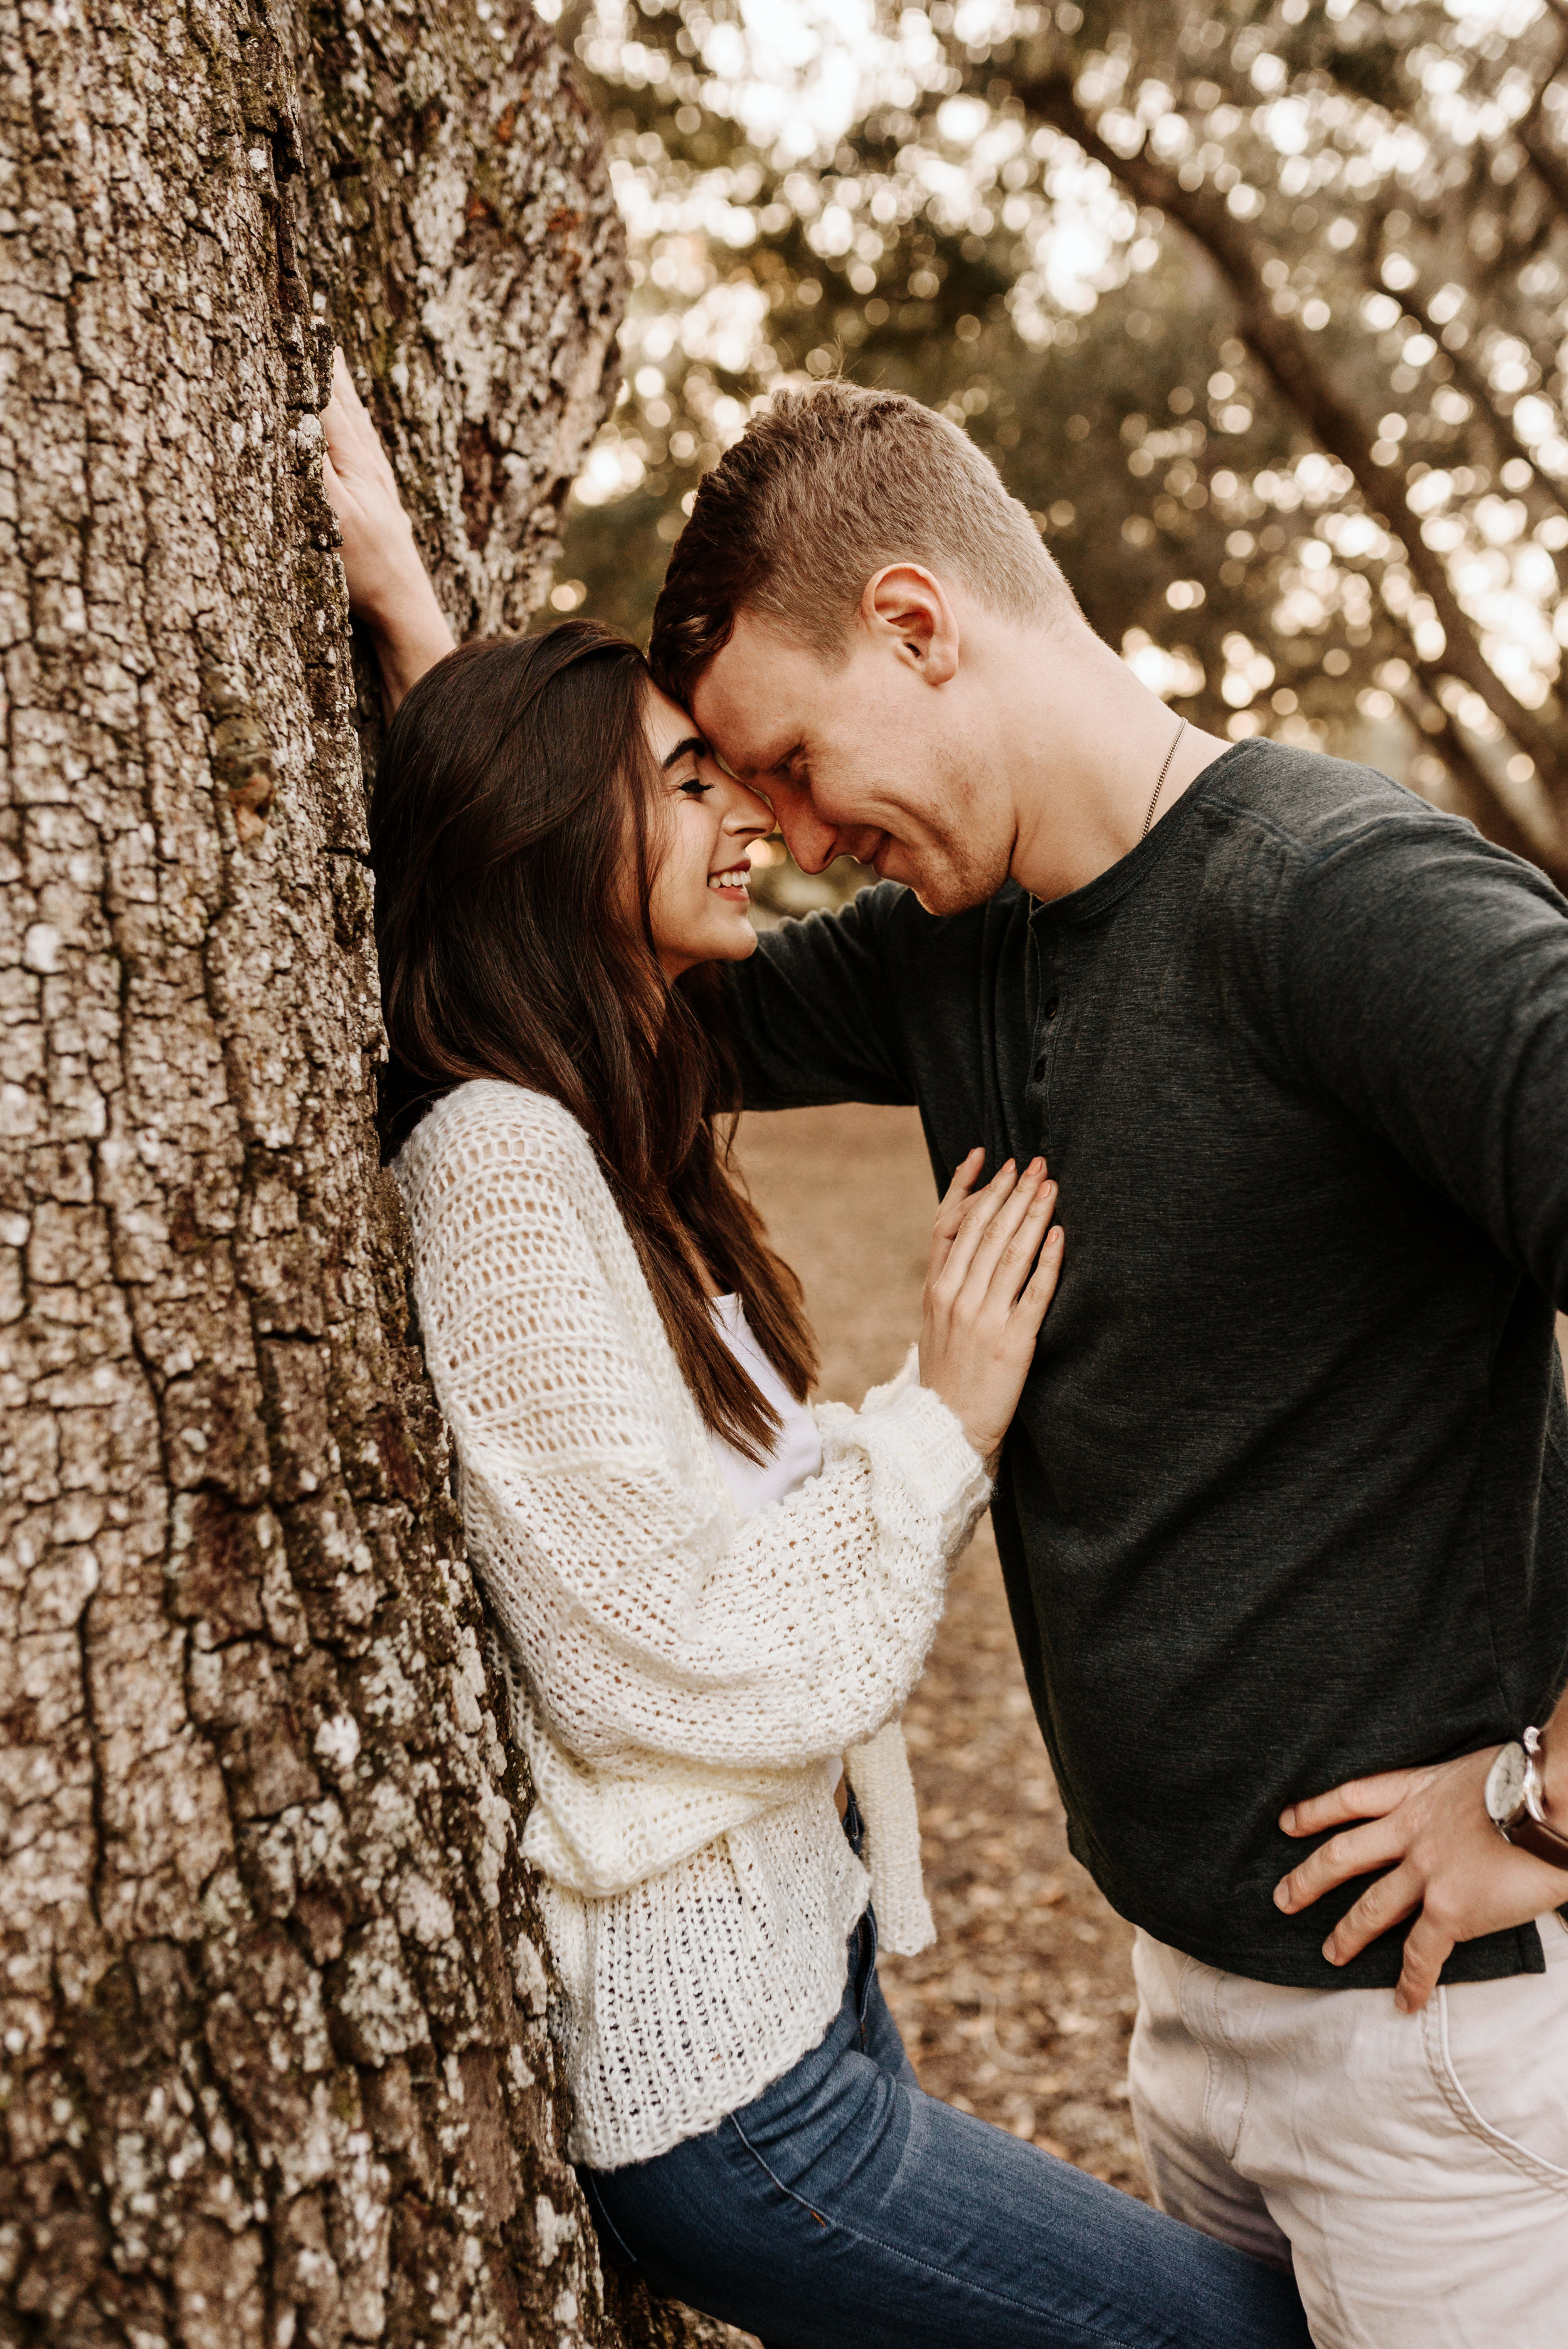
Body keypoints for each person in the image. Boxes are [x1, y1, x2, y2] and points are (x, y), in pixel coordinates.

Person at [322, 358, 1315, 2349]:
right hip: (722, 2091)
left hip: (803, 1957)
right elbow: (662, 1649)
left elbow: (585, 921)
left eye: (747, 767)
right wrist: (933, 1431)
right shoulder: (510, 1164)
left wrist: (429, 629)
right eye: (690, 779)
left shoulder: (607, 1117)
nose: (757, 818)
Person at [636, 379, 1568, 2346]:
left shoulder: (1339, 901)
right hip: (1191, 2003)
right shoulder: (955, 936)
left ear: (915, 621)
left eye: (791, 759)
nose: (794, 834)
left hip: (1440, 2055)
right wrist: (407, 633)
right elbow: (623, 1002)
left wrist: (1551, 1804)